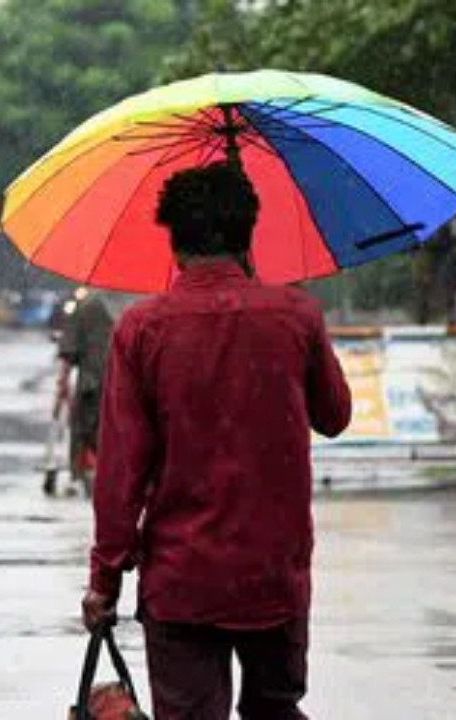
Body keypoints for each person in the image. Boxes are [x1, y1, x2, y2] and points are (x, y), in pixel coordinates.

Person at [80, 162, 352, 720]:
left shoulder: (142, 329)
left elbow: (121, 472)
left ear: (173, 241)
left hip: (182, 583)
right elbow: (336, 415)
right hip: (275, 575)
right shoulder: (296, 314)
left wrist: (104, 579)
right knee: (276, 709)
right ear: (248, 233)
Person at [51, 289, 115, 496]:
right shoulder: (146, 301)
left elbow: (69, 349)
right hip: (130, 384)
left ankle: (79, 475)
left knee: (83, 428)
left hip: (94, 382)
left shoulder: (89, 305)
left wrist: (62, 381)